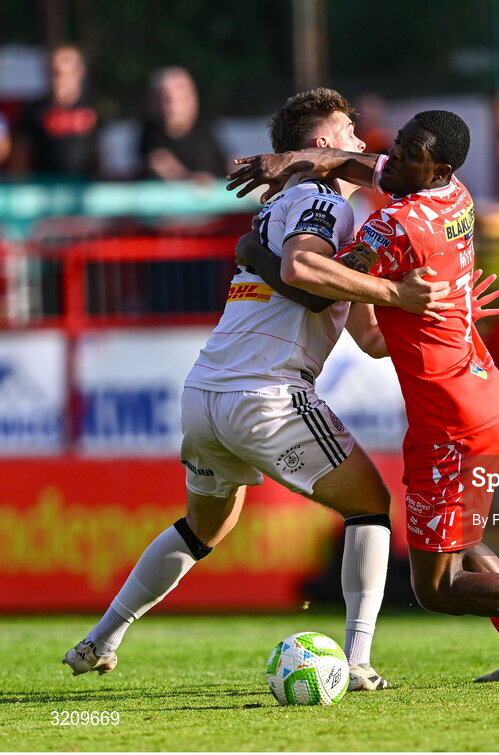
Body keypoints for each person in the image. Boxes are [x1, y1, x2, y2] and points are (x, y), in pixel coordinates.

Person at [62, 88, 465, 691]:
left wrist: (446, 314)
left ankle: (100, 639)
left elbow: (369, 337)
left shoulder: (289, 209)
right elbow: (306, 274)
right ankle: (355, 662)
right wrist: (401, 293)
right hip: (267, 393)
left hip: (204, 395)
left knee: (203, 529)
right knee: (370, 506)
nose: (362, 141)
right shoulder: (321, 199)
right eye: (349, 129)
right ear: (323, 143)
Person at [226, 110, 499, 683]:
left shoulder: (394, 225)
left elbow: (316, 284)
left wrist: (254, 252)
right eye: (394, 147)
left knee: (438, 588)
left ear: (436, 166)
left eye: (407, 154)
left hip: (451, 420)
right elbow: (371, 326)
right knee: (464, 545)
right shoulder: (456, 192)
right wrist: (292, 162)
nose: (389, 159)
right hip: (478, 395)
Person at [10, 44, 99, 177]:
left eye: (62, 73)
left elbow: (102, 153)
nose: (57, 80)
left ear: (79, 72)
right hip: (43, 189)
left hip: (84, 190)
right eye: (52, 73)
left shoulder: (95, 108)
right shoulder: (33, 111)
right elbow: (20, 153)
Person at [140, 67, 226, 182]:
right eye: (167, 100)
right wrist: (190, 179)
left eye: (180, 98)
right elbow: (158, 161)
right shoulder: (150, 132)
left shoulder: (206, 128)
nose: (172, 106)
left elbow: (226, 163)